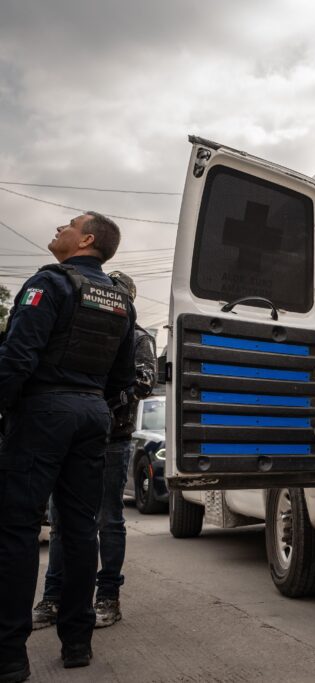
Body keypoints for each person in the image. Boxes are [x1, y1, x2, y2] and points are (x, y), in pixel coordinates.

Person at [0, 212, 135, 680]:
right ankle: (77, 643)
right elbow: (123, 377)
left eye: (68, 224)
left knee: (16, 529)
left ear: (87, 239)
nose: (59, 228)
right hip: (92, 415)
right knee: (79, 529)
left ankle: (10, 656)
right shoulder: (120, 299)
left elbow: (17, 354)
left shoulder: (50, 284)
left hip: (44, 412)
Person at [33, 271, 155, 632]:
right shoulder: (78, 330)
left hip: (112, 438)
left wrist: (99, 406)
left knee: (107, 519)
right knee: (59, 522)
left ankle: (107, 597)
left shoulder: (137, 336)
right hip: (70, 437)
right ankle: (53, 597)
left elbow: (144, 382)